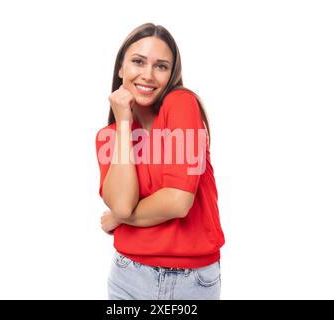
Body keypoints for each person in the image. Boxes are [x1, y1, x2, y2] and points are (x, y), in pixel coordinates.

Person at [95, 23, 225, 300]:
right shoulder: (109, 137)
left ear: (171, 74)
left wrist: (120, 218)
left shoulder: (181, 104)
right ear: (121, 68)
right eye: (138, 62)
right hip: (127, 275)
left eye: (161, 66)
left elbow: (178, 202)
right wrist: (123, 124)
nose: (148, 75)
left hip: (191, 280)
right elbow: (121, 201)